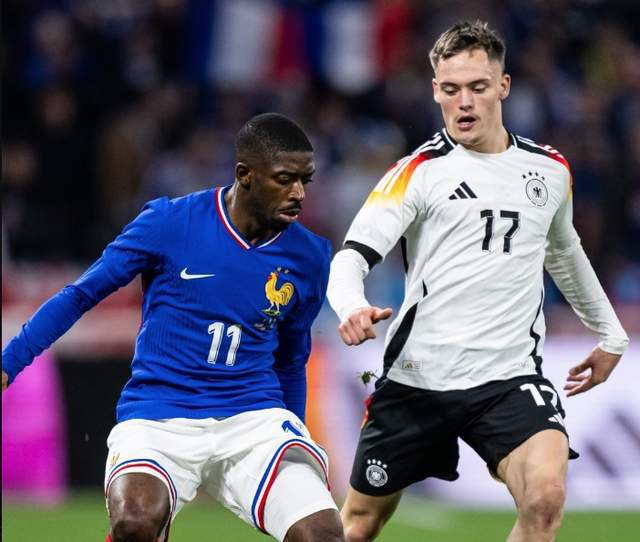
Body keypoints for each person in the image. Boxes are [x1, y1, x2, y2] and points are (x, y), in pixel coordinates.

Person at [326, 21, 629, 542]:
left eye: (477, 87)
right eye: (451, 89)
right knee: (357, 527)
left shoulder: (550, 170)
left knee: (544, 501)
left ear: (503, 86)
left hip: (509, 379)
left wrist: (611, 334)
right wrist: (351, 305)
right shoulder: (417, 172)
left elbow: (564, 252)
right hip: (419, 381)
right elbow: (351, 257)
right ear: (435, 91)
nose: (463, 102)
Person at [2, 113, 344, 542]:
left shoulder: (310, 256)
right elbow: (81, 295)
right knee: (135, 523)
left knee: (322, 534)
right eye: (285, 179)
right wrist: (9, 362)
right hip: (160, 415)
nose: (298, 194)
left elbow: (292, 359)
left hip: (254, 419)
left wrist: (295, 439)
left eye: (305, 181)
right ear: (245, 175)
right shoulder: (169, 223)